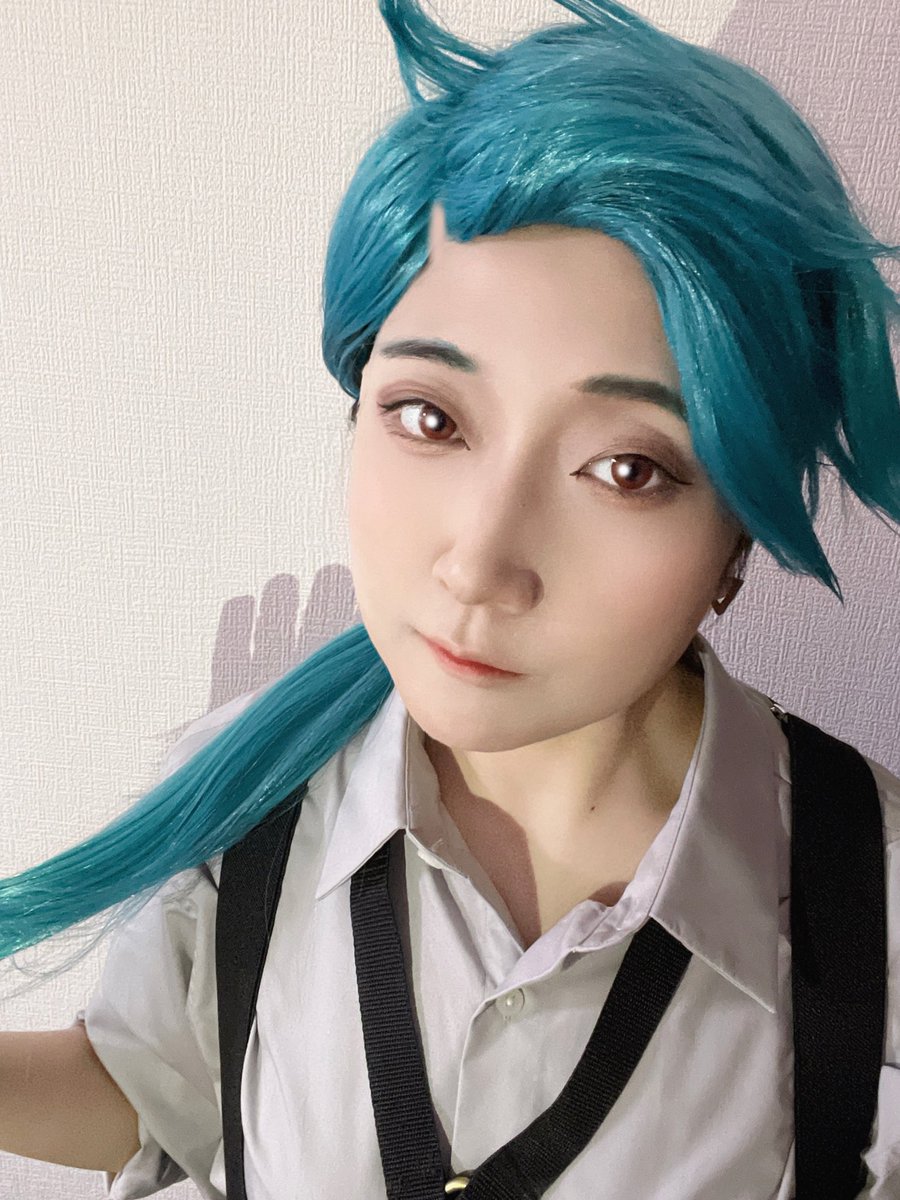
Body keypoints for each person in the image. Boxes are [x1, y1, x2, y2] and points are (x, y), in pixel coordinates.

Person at [1, 0, 899, 1196]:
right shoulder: (249, 797)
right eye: (430, 417)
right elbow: (168, 1086)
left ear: (740, 529)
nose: (479, 563)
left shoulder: (874, 896)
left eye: (627, 470)